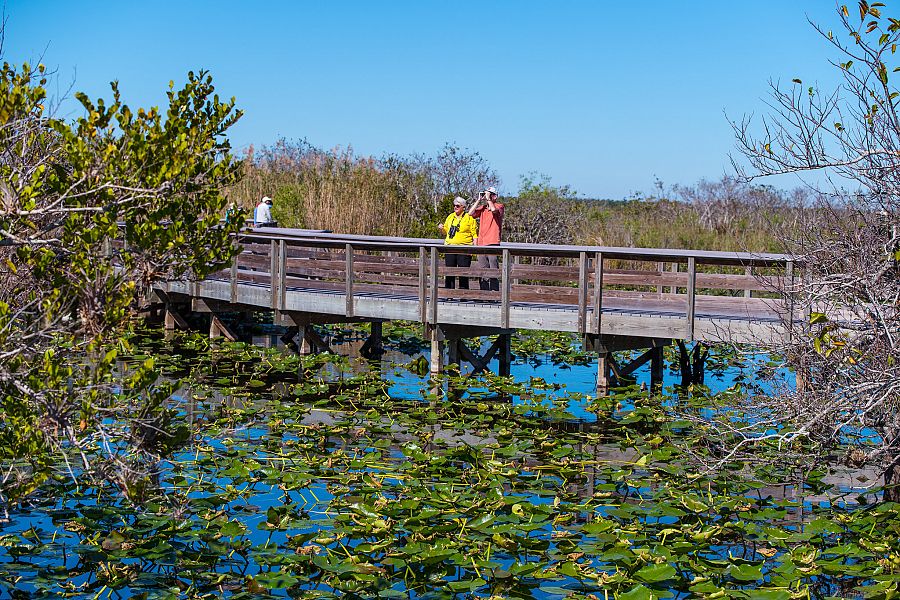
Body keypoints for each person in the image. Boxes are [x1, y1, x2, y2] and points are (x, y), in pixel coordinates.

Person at [468, 186, 505, 291]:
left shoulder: (499, 206)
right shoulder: (483, 208)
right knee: (482, 270)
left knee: (493, 269)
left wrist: (488, 199)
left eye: (490, 194)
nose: (487, 196)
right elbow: (470, 213)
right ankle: (484, 293)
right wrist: (478, 200)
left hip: (493, 242)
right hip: (481, 243)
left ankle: (494, 292)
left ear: (495, 196)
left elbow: (494, 210)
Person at [438, 196, 477, 289]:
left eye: (458, 206)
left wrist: (475, 250)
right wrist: (441, 228)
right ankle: (449, 293)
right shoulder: (450, 217)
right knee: (449, 273)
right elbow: (445, 232)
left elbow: (475, 235)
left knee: (463, 274)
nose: (455, 207)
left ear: (463, 207)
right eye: (454, 205)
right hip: (450, 248)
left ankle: (463, 294)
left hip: (464, 249)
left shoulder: (469, 218)